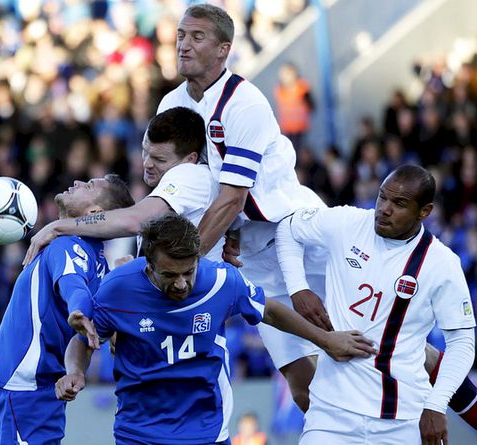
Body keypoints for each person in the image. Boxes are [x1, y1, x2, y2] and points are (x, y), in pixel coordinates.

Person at [155, 4, 477, 424]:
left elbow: (233, 197)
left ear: (224, 50)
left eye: (197, 36)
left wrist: (186, 261)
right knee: (305, 389)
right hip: (252, 255)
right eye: (181, 34)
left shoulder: (244, 101)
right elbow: (186, 189)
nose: (183, 43)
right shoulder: (170, 104)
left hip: (301, 235)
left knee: (377, 343)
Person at [56, 214, 376, 445]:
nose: (181, 283)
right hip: (139, 431)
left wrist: (326, 340)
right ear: (148, 266)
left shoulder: (221, 281)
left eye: (188, 271)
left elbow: (270, 310)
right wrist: (76, 371)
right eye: (170, 274)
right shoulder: (118, 289)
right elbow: (84, 337)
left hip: (206, 429)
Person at [275, 165, 476, 444]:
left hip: (401, 420)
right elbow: (288, 229)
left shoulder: (442, 264)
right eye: (383, 197)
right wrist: (299, 289)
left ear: (424, 212)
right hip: (330, 414)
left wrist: (436, 403)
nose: (384, 209)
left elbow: (463, 342)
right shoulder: (348, 222)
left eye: (399, 203)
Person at [0, 174, 134, 445]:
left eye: (89, 186)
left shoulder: (69, 244)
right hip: (25, 392)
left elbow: (73, 286)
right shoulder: (99, 267)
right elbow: (87, 336)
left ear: (95, 213)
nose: (76, 183)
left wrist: (78, 310)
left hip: (24, 391)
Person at [23, 106, 223, 265]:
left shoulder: (192, 174)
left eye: (159, 159)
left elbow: (135, 220)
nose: (147, 164)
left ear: (190, 159)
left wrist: (59, 227)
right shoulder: (175, 184)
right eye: (146, 152)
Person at [274, 62, 313, 150]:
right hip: (287, 128)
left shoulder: (302, 87)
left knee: (300, 151)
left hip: (300, 128)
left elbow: (311, 104)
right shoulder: (280, 89)